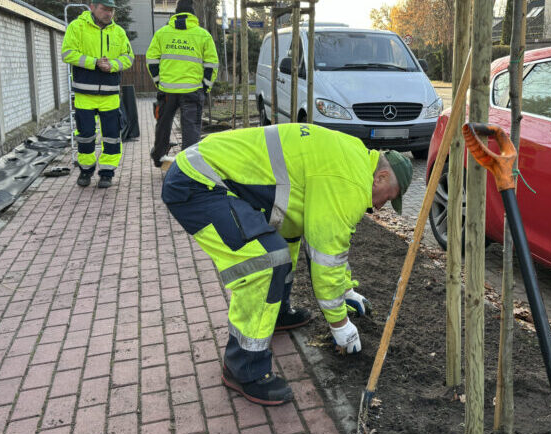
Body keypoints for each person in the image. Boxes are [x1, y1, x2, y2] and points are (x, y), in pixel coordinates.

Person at [161, 123, 412, 406]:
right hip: (197, 183)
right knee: (265, 263)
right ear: (380, 177)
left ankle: (277, 314)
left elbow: (328, 245)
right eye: (388, 197)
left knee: (285, 242)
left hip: (211, 174)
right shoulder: (351, 183)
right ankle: (242, 368)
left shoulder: (352, 159)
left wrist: (345, 292)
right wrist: (340, 324)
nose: (381, 207)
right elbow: (326, 258)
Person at [62, 0, 134, 188]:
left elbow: (128, 57)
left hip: (110, 95)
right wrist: (94, 62)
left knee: (112, 136)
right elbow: (67, 53)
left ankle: (107, 174)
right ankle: (86, 171)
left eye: (111, 10)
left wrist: (113, 65)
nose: (108, 13)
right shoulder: (77, 27)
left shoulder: (119, 32)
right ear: (92, 7)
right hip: (84, 94)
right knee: (85, 135)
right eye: (104, 9)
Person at [146, 0, 219, 169]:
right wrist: (205, 87)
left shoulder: (162, 33)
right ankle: (189, 167)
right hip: (192, 91)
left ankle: (159, 157)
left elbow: (151, 61)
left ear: (175, 13)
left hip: (167, 91)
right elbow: (212, 65)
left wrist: (158, 82)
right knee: (191, 128)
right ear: (193, 14)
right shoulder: (203, 35)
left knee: (163, 125)